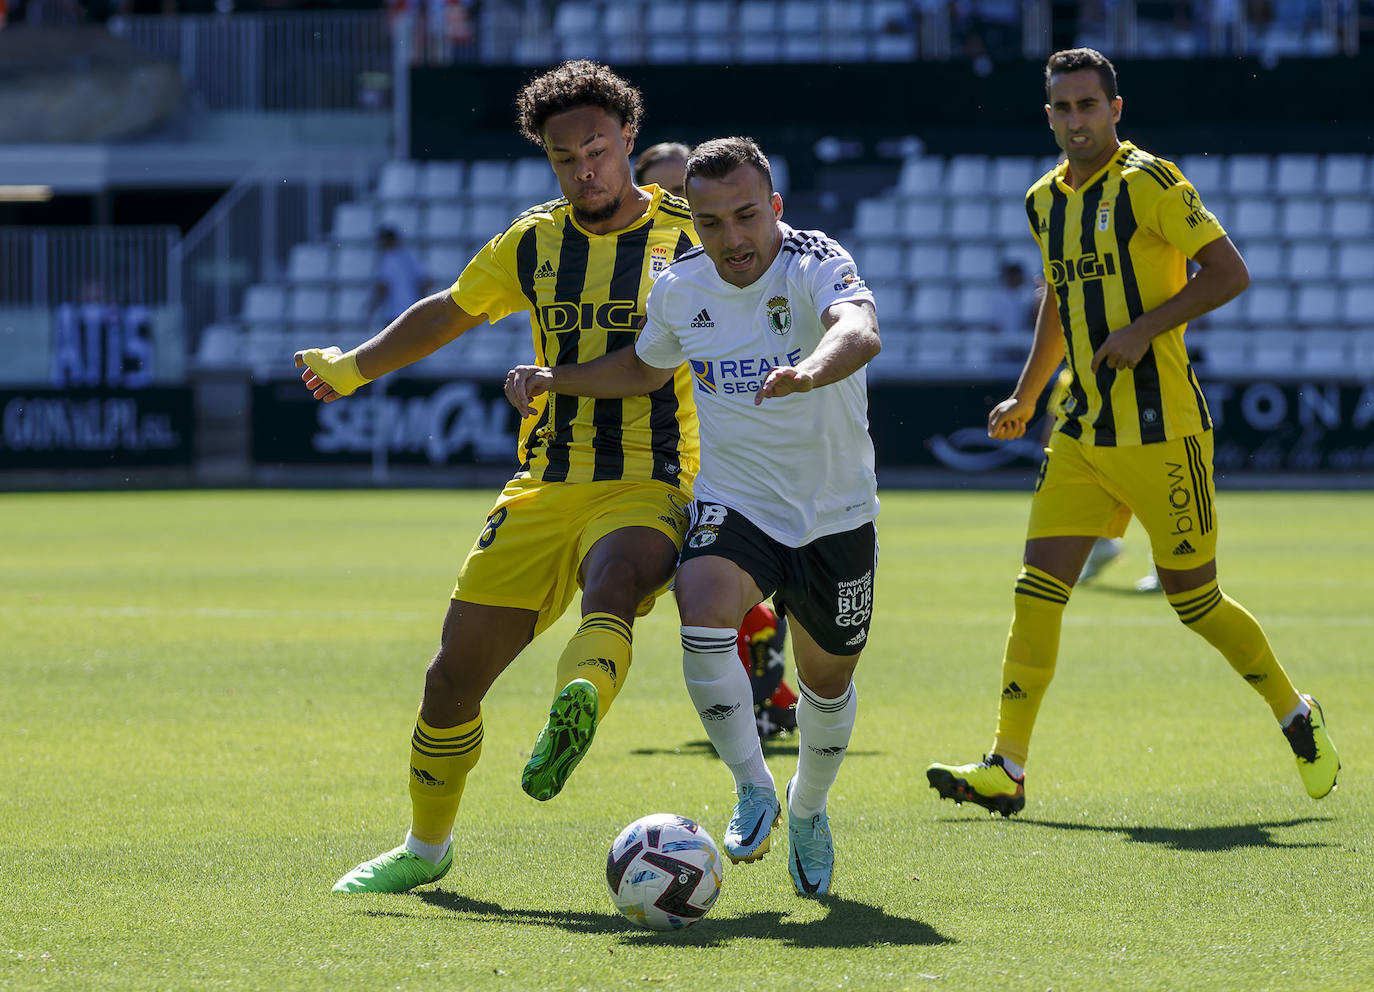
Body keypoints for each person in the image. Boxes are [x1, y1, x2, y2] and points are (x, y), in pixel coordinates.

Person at [296, 60, 705, 895]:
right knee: (450, 679)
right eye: (564, 158)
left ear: (628, 138)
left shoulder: (689, 234)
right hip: (546, 482)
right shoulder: (535, 241)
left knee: (618, 577)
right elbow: (451, 308)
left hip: (653, 476)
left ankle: (577, 704)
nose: (583, 168)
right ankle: (425, 847)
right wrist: (355, 366)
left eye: (595, 148)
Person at [926, 47, 1338, 817]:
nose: (1075, 120)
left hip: (1162, 431)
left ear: (1116, 110)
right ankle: (1006, 765)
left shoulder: (1151, 181)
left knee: (1195, 601)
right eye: (1062, 107)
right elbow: (1059, 297)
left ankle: (1295, 712)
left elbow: (1228, 271)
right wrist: (1026, 393)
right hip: (1081, 432)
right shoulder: (1043, 200)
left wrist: (1147, 328)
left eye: (1088, 105)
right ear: (1048, 115)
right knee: (1036, 593)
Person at [507, 136, 881, 896]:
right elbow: (648, 363)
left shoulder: (813, 259)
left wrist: (807, 370)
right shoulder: (680, 287)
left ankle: (807, 808)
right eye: (710, 223)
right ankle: (752, 785)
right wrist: (560, 378)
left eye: (746, 216)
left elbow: (859, 330)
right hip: (737, 497)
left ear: (773, 207)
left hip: (836, 510)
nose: (731, 238)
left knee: (827, 682)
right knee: (701, 602)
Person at [636, 137, 803, 738]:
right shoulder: (655, 264)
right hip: (665, 437)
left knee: (725, 576)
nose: (679, 205)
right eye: (670, 192)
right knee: (698, 586)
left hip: (728, 443)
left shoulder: (747, 253)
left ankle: (772, 693)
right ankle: (765, 697)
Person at [369, 226, 431, 324]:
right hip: (412, 311)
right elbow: (427, 281)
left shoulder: (388, 259)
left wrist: (371, 307)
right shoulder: (410, 257)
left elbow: (383, 286)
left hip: (395, 313)